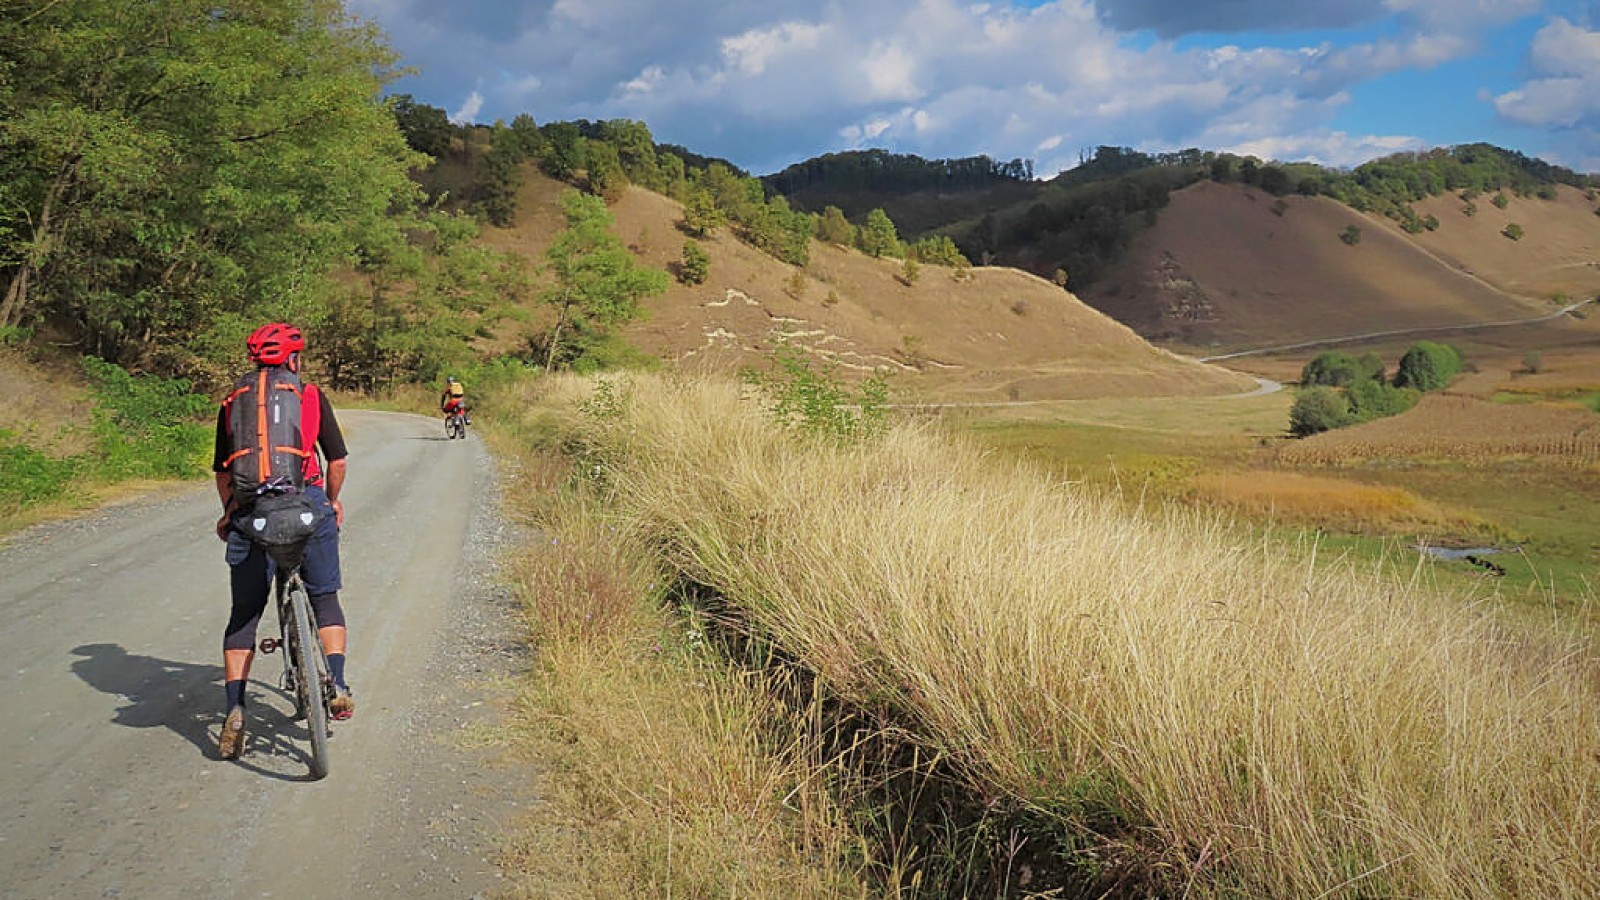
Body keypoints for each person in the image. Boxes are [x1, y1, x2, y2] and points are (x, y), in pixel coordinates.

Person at [212, 322, 353, 761]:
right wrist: (331, 501)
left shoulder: (233, 402)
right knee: (324, 597)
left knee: (244, 617)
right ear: (294, 359)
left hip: (253, 515)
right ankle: (337, 682)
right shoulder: (308, 395)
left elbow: (223, 472)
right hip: (307, 506)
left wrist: (229, 512)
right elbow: (337, 461)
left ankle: (235, 708)